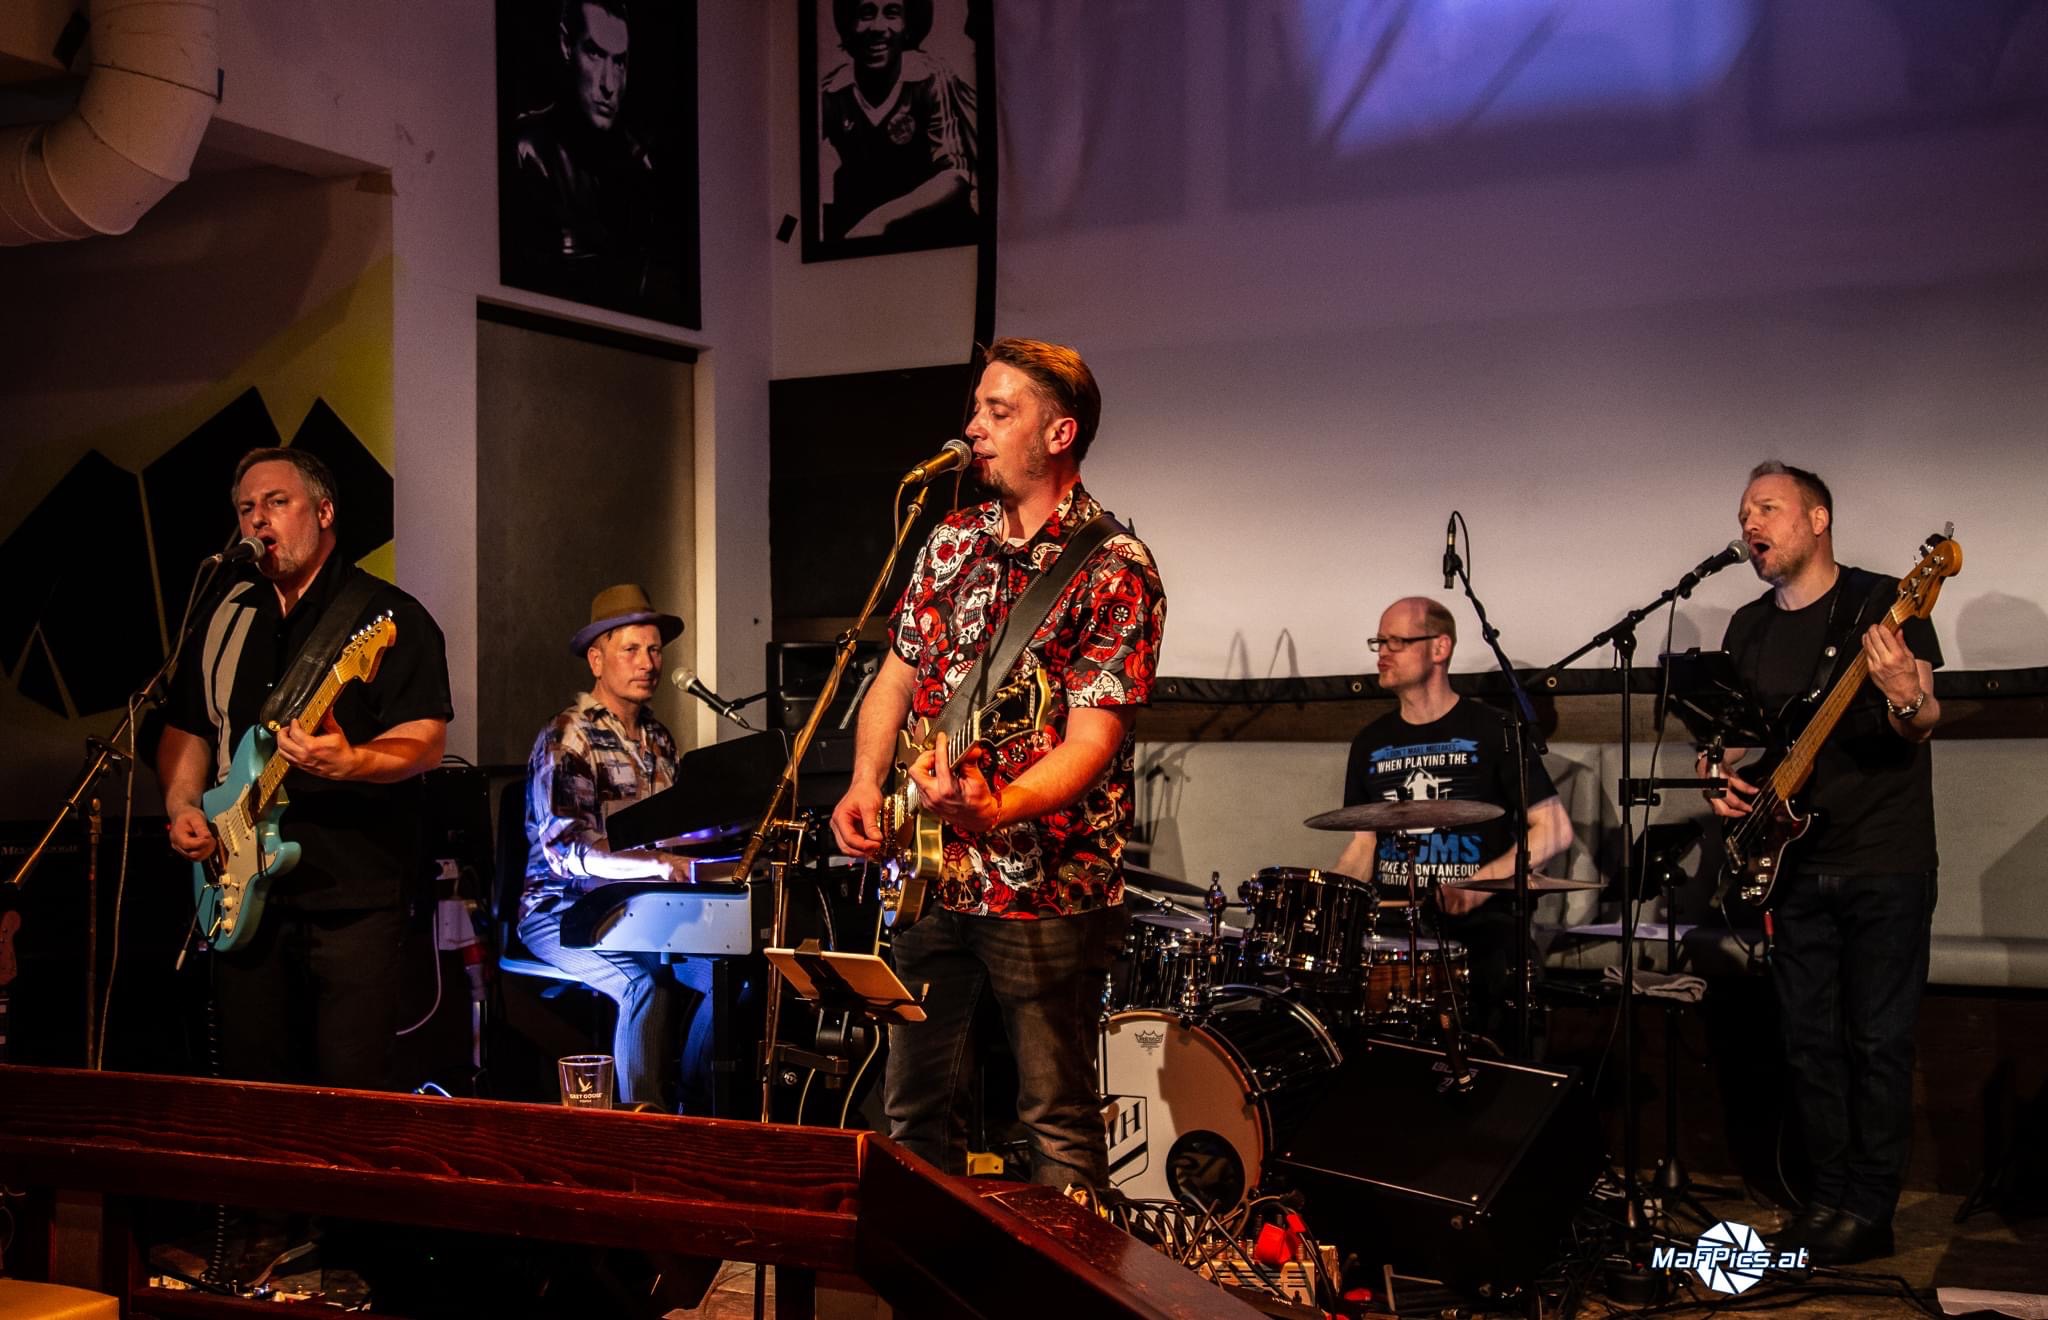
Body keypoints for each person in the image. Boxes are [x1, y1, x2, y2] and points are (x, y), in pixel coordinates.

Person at [830, 338, 1166, 1189]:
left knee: (1055, 1120)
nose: (972, 426)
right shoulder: (950, 539)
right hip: (929, 874)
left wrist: (998, 807)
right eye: (976, 407)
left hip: (1046, 887)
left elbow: (1092, 741)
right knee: (913, 1111)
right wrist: (865, 781)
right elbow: (896, 676)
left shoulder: (1115, 568)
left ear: (1059, 433)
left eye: (998, 411)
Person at [158, 448, 452, 1091]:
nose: (258, 520)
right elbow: (188, 728)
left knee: (350, 1093)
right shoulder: (224, 616)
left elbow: (426, 741)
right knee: (254, 1087)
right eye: (246, 508)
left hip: (352, 897)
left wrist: (353, 761)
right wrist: (183, 806)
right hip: (241, 893)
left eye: (277, 502)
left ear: (323, 512)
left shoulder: (387, 617)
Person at [1707, 461, 1941, 1266]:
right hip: (1790, 861)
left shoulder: (1885, 601)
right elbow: (1737, 740)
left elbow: (1922, 718)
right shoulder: (1746, 626)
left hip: (1884, 859)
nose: (1750, 524)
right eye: (1744, 512)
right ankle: (1826, 1199)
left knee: (1878, 1040)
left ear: (1818, 519)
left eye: (1767, 508)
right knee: (1809, 1040)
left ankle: (1870, 1212)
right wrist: (1721, 778)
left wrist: (1904, 693)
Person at [1334, 597, 1573, 1045]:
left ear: (1440, 648)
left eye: (1396, 642)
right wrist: (1329, 905)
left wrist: (1475, 886)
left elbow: (1554, 829)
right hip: (1393, 927)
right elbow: (1364, 843)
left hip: (1479, 929)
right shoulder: (1369, 741)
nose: (1382, 652)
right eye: (1378, 642)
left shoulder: (1496, 730)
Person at [521, 585, 718, 1114]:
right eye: (631, 649)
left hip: (640, 911)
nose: (648, 663)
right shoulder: (568, 735)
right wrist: (653, 863)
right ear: (596, 659)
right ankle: (639, 1125)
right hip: (561, 912)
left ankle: (693, 1113)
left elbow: (673, 831)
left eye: (654, 650)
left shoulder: (659, 738)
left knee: (728, 978)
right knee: (643, 986)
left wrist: (712, 847)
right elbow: (565, 851)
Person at [507, 0, 660, 304]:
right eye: (595, 53)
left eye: (619, 62)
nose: (608, 84)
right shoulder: (528, 149)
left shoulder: (639, 167)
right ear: (567, 46)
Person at [819, 0, 977, 245]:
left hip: (928, 234)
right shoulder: (831, 91)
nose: (878, 27)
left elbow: (955, 174)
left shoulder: (930, 79)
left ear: (908, 26)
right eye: (866, 14)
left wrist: (880, 220)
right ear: (848, 25)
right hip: (860, 242)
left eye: (891, 14)